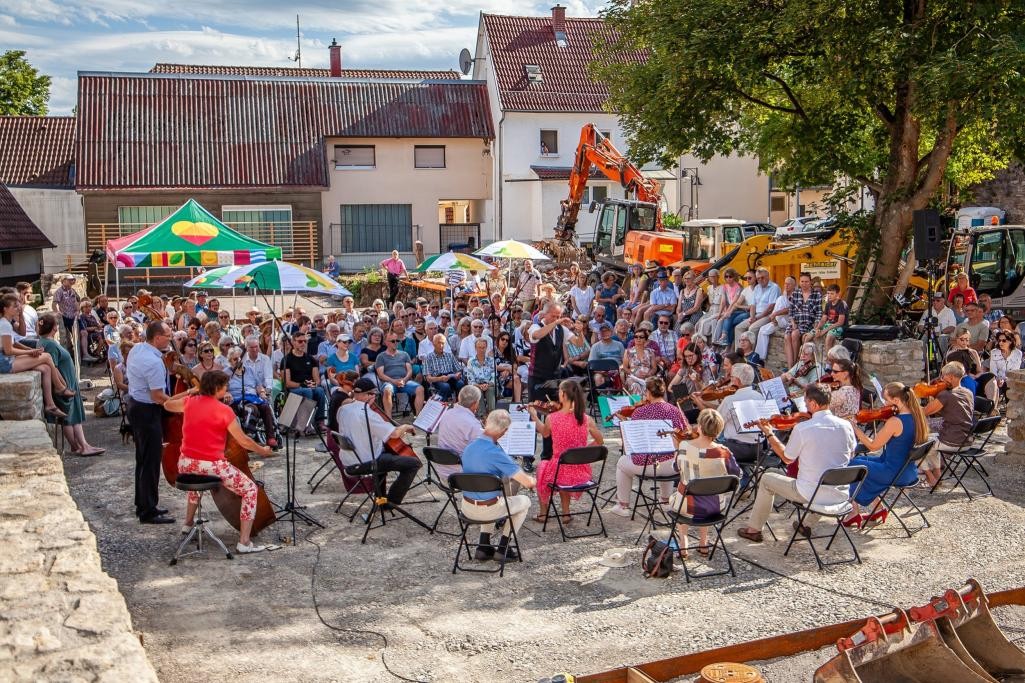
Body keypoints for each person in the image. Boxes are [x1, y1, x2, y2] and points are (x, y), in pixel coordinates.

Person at [163, 370, 275, 553]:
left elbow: (167, 404)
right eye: (225, 386)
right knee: (250, 490)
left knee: (195, 480)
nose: (227, 389)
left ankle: (188, 523)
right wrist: (263, 450)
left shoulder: (189, 402)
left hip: (186, 464)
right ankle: (244, 542)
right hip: (212, 466)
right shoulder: (224, 411)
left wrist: (190, 391)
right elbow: (244, 440)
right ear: (217, 389)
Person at [737, 383, 855, 542]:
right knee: (820, 481)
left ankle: (754, 530)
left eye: (806, 402)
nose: (804, 405)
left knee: (766, 478)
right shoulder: (846, 425)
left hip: (810, 493)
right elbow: (851, 453)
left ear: (813, 403)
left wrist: (769, 434)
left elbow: (787, 458)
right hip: (840, 493)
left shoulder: (804, 428)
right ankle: (805, 524)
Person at [127, 321, 190, 524]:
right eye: (167, 335)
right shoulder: (153, 362)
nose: (171, 338)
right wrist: (183, 402)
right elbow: (157, 396)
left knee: (142, 460)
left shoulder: (138, 349)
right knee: (151, 461)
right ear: (157, 338)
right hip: (147, 411)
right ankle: (148, 511)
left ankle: (143, 503)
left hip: (136, 405)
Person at [844, 382, 928, 527]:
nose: (884, 404)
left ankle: (854, 512)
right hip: (907, 470)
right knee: (861, 460)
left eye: (886, 400)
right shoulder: (917, 415)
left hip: (893, 472)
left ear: (896, 400)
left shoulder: (895, 421)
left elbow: (872, 446)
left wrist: (855, 428)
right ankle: (878, 509)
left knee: (852, 466)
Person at [460, 409, 537, 561]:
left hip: (466, 508)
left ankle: (483, 546)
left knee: (490, 494)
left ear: (486, 422)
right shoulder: (497, 453)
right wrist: (534, 480)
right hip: (489, 510)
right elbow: (527, 483)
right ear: (504, 431)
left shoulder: (468, 448)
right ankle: (503, 549)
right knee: (524, 501)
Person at [608, 377, 690, 517]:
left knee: (622, 462)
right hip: (674, 466)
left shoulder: (640, 412)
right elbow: (686, 432)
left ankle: (623, 505)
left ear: (648, 392)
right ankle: (665, 501)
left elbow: (631, 443)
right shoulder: (675, 410)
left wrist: (624, 424)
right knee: (668, 452)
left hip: (650, 465)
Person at [528, 380, 603, 525]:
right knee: (564, 466)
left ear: (562, 394)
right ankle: (566, 514)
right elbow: (600, 441)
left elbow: (544, 433)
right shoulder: (586, 419)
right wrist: (583, 452)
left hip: (559, 471)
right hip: (581, 472)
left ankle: (543, 514)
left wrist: (534, 416)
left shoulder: (552, 418)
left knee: (543, 466)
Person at [338, 378, 422, 506]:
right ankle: (391, 501)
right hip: (365, 462)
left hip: (348, 460)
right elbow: (394, 434)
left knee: (384, 456)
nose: (375, 398)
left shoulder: (343, 410)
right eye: (374, 395)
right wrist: (405, 426)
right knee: (413, 463)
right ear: (368, 395)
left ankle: (380, 500)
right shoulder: (368, 414)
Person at [669, 409, 741, 556]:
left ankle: (683, 543)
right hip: (715, 508)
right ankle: (703, 543)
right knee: (706, 492)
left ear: (700, 427)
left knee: (680, 494)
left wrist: (677, 446)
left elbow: (675, 468)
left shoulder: (684, 446)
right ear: (719, 430)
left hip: (686, 508)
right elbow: (737, 475)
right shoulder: (724, 452)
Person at [37, 313, 105, 456]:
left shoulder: (45, 341)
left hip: (68, 382)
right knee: (71, 418)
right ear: (55, 327)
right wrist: (63, 386)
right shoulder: (49, 344)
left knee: (72, 418)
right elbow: (53, 367)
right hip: (65, 384)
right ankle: (82, 446)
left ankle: (80, 445)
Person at [0, 294, 71, 418]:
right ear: (5, 309)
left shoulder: (6, 323)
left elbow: (14, 342)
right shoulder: (4, 324)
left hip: (6, 359)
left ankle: (50, 405)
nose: (18, 308)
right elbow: (8, 350)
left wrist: (31, 350)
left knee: (45, 368)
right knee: (47, 356)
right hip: (5, 362)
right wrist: (30, 352)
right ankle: (60, 387)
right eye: (14, 306)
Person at [921, 362, 974, 487]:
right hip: (967, 440)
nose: (941, 379)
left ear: (950, 377)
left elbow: (925, 412)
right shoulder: (968, 392)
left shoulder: (946, 395)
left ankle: (930, 478)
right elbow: (954, 410)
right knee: (932, 442)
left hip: (953, 442)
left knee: (916, 445)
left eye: (943, 376)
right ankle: (938, 476)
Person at [700, 363, 763, 464]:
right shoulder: (759, 396)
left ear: (737, 380)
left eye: (731, 377)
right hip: (759, 450)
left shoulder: (730, 400)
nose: (730, 379)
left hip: (736, 449)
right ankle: (744, 474)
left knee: (701, 451)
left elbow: (713, 424)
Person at [434, 385, 484, 481]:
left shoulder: (446, 414)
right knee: (508, 473)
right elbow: (483, 451)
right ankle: (498, 496)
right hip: (462, 475)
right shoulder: (472, 424)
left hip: (443, 471)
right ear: (475, 403)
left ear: (458, 398)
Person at [236, 336, 278, 448]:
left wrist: (265, 392)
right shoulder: (242, 362)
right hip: (245, 396)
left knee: (265, 406)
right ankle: (250, 435)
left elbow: (267, 379)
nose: (255, 350)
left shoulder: (264, 360)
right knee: (252, 407)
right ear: (247, 348)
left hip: (260, 392)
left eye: (256, 347)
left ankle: (271, 437)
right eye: (251, 347)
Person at [284, 332, 327, 430]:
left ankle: (320, 421)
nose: (303, 343)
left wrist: (314, 384)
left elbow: (317, 379)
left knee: (319, 390)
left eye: (305, 341)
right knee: (307, 391)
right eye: (300, 341)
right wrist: (302, 384)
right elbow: (287, 382)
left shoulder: (311, 359)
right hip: (295, 388)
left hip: (308, 386)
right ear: (293, 342)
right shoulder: (287, 359)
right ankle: (304, 424)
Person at [376, 331, 425, 415]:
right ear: (386, 342)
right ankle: (389, 419)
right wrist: (393, 381)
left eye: (397, 341)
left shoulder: (404, 354)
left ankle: (418, 416)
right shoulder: (381, 356)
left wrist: (404, 380)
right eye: (393, 341)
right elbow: (381, 375)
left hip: (404, 381)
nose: (395, 343)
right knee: (387, 390)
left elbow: (409, 370)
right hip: (389, 382)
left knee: (420, 389)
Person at [734, 268, 781, 350]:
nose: (760, 280)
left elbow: (770, 308)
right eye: (758, 278)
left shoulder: (774, 287)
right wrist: (752, 317)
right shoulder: (757, 288)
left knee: (752, 328)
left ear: (768, 276)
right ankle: (739, 353)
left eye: (762, 277)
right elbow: (753, 305)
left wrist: (756, 318)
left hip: (768, 316)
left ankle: (750, 355)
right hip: (756, 315)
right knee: (738, 327)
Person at [786, 272, 823, 368]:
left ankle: (795, 364)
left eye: (806, 281)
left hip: (808, 323)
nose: (804, 284)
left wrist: (816, 325)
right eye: (802, 281)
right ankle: (791, 366)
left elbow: (819, 312)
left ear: (810, 282)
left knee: (794, 334)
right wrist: (793, 323)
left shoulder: (816, 294)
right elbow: (791, 311)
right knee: (786, 337)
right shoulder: (795, 293)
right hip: (796, 322)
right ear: (799, 282)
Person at [716, 268, 749, 347]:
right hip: (732, 310)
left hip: (739, 310)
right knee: (729, 322)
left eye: (730, 276)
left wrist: (727, 312)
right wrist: (720, 313)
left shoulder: (739, 287)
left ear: (734, 277)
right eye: (726, 277)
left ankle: (723, 336)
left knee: (728, 318)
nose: (728, 278)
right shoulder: (724, 287)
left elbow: (734, 302)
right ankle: (727, 345)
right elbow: (723, 301)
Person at [621, 326, 658, 395]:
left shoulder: (650, 352)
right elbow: (625, 367)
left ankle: (653, 405)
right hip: (633, 377)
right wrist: (634, 374)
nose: (638, 339)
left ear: (645, 339)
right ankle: (639, 405)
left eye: (641, 337)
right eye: (636, 336)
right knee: (635, 385)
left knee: (654, 384)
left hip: (647, 377)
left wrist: (648, 374)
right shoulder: (628, 352)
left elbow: (654, 368)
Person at [465, 337, 497, 413]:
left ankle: (492, 413)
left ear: (486, 348)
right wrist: (479, 386)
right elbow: (470, 380)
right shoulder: (471, 362)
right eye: (479, 347)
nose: (482, 350)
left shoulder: (491, 360)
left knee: (491, 390)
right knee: (477, 391)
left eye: (483, 348)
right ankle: (481, 415)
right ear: (475, 348)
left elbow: (494, 377)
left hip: (489, 385)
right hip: (476, 385)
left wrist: (487, 385)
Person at [828, 357, 862, 421]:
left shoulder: (842, 392)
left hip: (840, 428)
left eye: (835, 372)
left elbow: (821, 406)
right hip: (851, 427)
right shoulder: (855, 388)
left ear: (845, 374)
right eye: (831, 371)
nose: (831, 374)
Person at [51, 274, 81, 347]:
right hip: (64, 316)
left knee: (77, 335)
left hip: (73, 316)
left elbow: (77, 300)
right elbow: (54, 304)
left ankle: (77, 353)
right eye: (70, 280)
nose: (72, 281)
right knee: (64, 337)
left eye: (72, 280)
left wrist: (78, 310)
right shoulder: (59, 291)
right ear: (64, 281)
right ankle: (67, 352)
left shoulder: (72, 290)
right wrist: (57, 312)